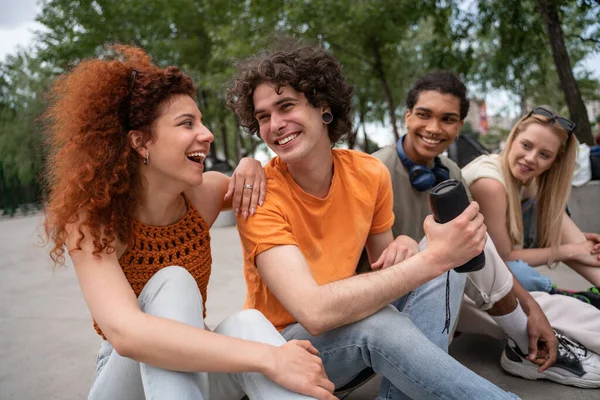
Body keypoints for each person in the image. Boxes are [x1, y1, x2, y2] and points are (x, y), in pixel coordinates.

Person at [42, 45, 337, 400]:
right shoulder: (93, 221)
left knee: (248, 322)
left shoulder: (205, 194)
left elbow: (264, 188)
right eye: (187, 124)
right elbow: (127, 333)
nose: (207, 133)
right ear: (140, 142)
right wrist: (269, 358)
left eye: (201, 121)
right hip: (125, 378)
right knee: (174, 280)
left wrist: (250, 165)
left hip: (193, 368)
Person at [227, 44, 520, 399]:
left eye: (286, 105)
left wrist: (406, 247)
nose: (274, 125)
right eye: (262, 116)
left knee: (439, 252)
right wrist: (432, 259)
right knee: (390, 311)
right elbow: (314, 312)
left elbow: (387, 265)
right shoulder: (258, 195)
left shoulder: (368, 173)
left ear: (323, 107)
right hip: (290, 349)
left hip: (354, 333)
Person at [371, 70, 600, 388]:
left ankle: (535, 338)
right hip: (391, 298)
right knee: (487, 257)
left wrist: (530, 306)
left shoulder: (449, 170)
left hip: (445, 285)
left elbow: (483, 250)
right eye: (424, 115)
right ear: (407, 116)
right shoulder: (374, 170)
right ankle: (527, 346)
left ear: (459, 127)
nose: (434, 128)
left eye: (447, 119)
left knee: (537, 299)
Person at [462, 106, 600, 310]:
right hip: (464, 274)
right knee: (520, 274)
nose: (530, 158)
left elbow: (554, 225)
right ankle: (557, 294)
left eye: (544, 155)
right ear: (513, 138)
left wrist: (582, 243)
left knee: (551, 211)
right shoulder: (490, 182)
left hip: (495, 265)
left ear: (554, 162)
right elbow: (505, 257)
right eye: (526, 145)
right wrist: (572, 250)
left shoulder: (525, 179)